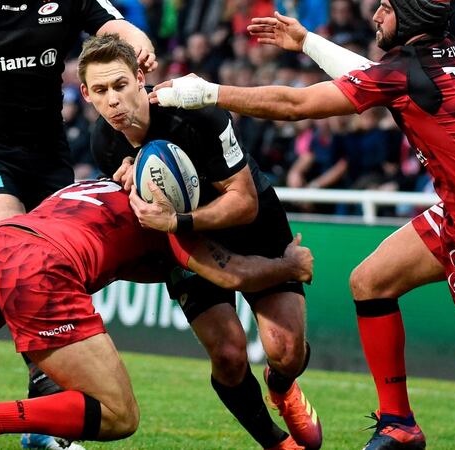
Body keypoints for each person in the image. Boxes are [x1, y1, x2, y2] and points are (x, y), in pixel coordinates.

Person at [151, 5, 455, 450]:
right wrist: (307, 41)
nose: (376, 14)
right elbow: (375, 74)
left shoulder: (406, 71)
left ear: (410, 17)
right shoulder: (438, 54)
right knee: (370, 282)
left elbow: (297, 104)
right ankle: (398, 423)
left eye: (387, 8)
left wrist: (207, 92)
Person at [0, 179, 314, 450]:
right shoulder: (163, 214)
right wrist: (287, 266)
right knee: (118, 416)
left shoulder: (93, 183)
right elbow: (231, 275)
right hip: (45, 269)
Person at [0, 2, 156, 447]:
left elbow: (117, 26)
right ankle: (40, 402)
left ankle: (42, 422)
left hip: (47, 152)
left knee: (48, 274)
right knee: (16, 255)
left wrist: (140, 47)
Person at [80, 34, 321, 450]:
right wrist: (133, 192)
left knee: (286, 353)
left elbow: (243, 203)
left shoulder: (195, 113)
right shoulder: (103, 142)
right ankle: (277, 444)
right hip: (187, 237)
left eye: (120, 85)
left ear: (140, 78)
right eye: (100, 91)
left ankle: (282, 385)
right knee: (228, 356)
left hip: (253, 224)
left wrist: (178, 219)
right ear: (85, 94)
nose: (113, 100)